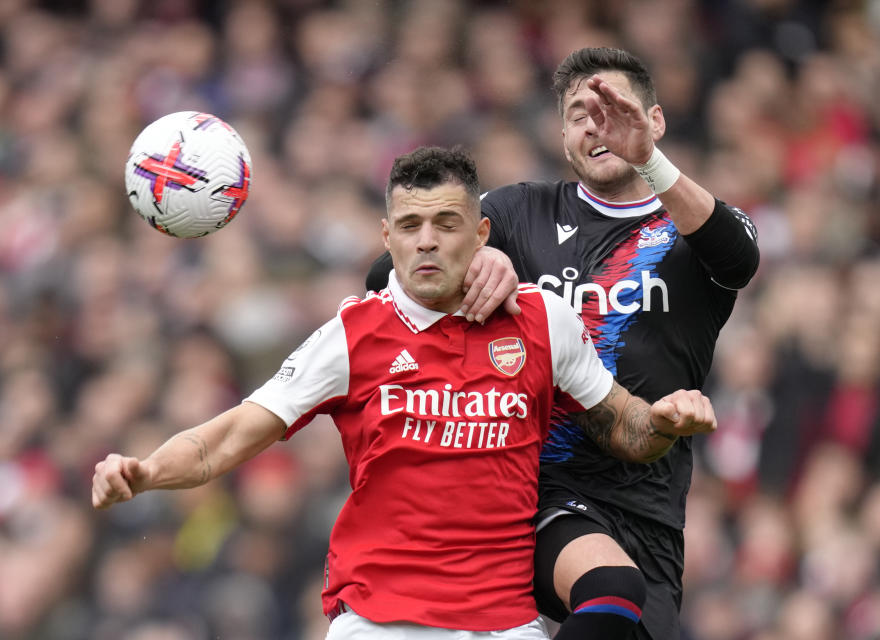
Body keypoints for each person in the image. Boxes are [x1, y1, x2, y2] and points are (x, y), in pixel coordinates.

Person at [92, 146, 718, 640]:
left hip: (505, 623)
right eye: (410, 224)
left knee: (619, 597)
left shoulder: (543, 322)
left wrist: (667, 417)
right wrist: (145, 471)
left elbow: (627, 430)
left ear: (481, 233)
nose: (426, 240)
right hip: (379, 621)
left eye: (446, 223)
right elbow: (224, 439)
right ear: (386, 236)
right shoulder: (351, 335)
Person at [367, 48, 760, 639]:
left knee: (623, 616)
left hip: (648, 501)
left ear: (654, 121)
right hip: (529, 487)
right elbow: (384, 278)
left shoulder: (693, 228)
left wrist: (651, 164)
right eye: (580, 113)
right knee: (608, 588)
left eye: (614, 109)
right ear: (563, 135)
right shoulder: (519, 213)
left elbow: (740, 259)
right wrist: (477, 258)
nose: (597, 124)